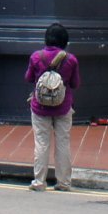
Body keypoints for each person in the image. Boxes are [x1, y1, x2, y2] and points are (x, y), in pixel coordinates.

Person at [25, 22, 79, 192]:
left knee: (41, 142)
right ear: (65, 41)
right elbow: (75, 84)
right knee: (63, 143)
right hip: (63, 107)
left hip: (40, 107)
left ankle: (39, 181)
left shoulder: (36, 57)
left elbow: (28, 78)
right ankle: (64, 182)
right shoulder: (71, 59)